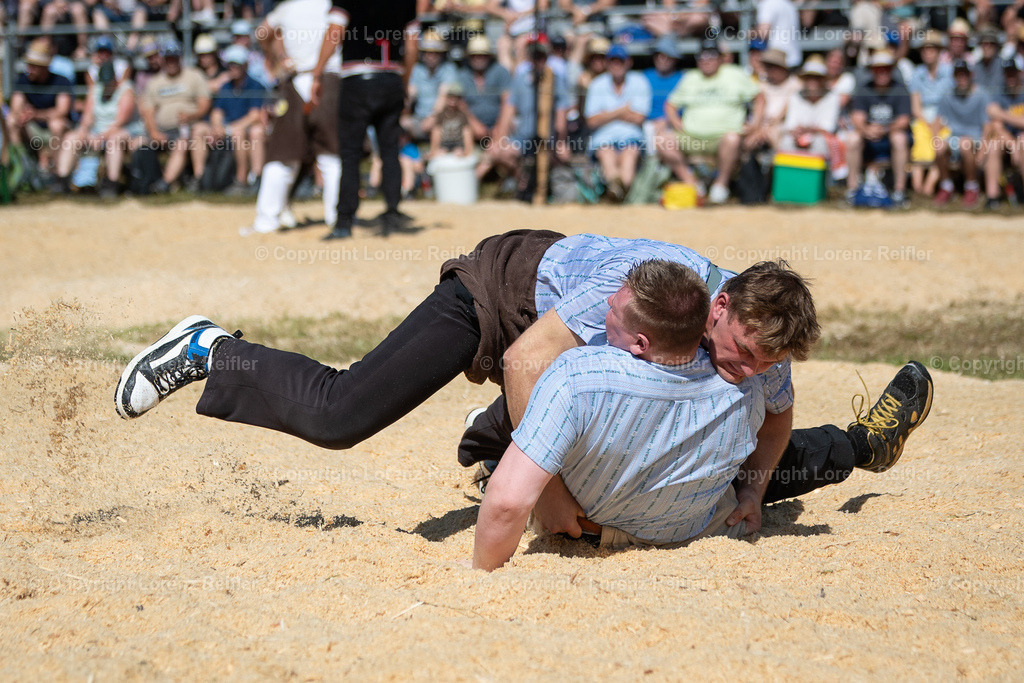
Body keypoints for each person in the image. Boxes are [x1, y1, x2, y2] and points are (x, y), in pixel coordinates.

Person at [115, 230, 933, 534]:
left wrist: (752, 492)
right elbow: (528, 360)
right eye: (743, 353)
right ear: (717, 307)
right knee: (341, 412)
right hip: (502, 297)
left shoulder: (758, 346)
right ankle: (214, 349)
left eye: (763, 365)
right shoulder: (660, 282)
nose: (747, 373)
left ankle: (866, 443)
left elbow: (773, 422)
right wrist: (549, 496)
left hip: (561, 346)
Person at [474, 260, 755, 570]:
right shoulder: (749, 385)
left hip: (584, 532)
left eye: (615, 310)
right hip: (695, 532)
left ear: (640, 343)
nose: (608, 302)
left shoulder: (578, 375)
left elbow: (507, 503)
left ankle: (489, 459)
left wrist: (480, 571)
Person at [311, 0, 425, 239]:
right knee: (390, 150)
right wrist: (403, 81)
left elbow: (335, 32)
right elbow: (412, 46)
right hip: (391, 77)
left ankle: (344, 221)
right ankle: (392, 212)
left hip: (356, 80)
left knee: (350, 154)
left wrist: (317, 73)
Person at [242, 0, 342, 235]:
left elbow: (262, 32)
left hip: (297, 79)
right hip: (328, 80)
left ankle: (267, 220)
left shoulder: (288, 7)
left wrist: (277, 57)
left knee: (282, 156)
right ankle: (338, 219)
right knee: (331, 155)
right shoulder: (332, 5)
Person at [655, 39, 762, 203]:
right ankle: (693, 184)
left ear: (720, 58)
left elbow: (759, 98)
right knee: (661, 140)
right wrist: (676, 122)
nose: (706, 59)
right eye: (702, 56)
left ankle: (721, 186)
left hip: (723, 138)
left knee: (732, 138)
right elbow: (670, 104)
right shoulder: (691, 77)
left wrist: (755, 124)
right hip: (691, 136)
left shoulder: (734, 74)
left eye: (711, 55)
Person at [53, 61, 143, 198]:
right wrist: (83, 130)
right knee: (71, 138)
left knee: (114, 141)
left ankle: (112, 182)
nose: (106, 85)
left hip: (124, 130)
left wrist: (101, 137)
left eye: (109, 82)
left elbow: (121, 121)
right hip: (98, 131)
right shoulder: (96, 89)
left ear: (115, 78)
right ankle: (62, 180)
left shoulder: (126, 90)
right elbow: (87, 117)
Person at [139, 39, 213, 193]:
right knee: (139, 144)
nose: (171, 62)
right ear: (163, 59)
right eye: (168, 59)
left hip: (188, 128)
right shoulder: (155, 82)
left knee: (183, 142)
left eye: (174, 58)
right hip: (163, 130)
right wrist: (154, 132)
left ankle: (173, 182)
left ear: (180, 58)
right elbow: (148, 112)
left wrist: (191, 116)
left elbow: (204, 104)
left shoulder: (194, 76)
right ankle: (144, 184)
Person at [584, 44, 651, 201]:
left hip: (631, 137)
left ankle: (615, 192)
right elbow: (591, 121)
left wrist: (606, 115)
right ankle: (618, 192)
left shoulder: (640, 81)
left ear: (628, 62)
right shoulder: (597, 84)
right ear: (607, 63)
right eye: (613, 61)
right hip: (603, 139)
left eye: (620, 61)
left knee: (629, 154)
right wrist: (622, 111)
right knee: (606, 153)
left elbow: (639, 117)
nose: (616, 65)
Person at [847, 49, 911, 207]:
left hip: (890, 138)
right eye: (878, 68)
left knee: (899, 138)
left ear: (891, 70)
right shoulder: (863, 89)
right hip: (869, 139)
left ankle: (899, 192)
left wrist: (884, 129)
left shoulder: (900, 90)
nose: (882, 72)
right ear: (872, 70)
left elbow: (904, 120)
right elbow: (856, 118)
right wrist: (866, 129)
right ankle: (852, 190)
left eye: (886, 68)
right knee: (852, 138)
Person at [5, 38, 73, 179]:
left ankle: (56, 172)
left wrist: (36, 114)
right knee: (11, 120)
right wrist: (23, 114)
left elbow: (62, 111)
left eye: (34, 66)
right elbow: (15, 108)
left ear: (44, 67)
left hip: (55, 131)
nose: (29, 69)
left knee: (56, 124)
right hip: (33, 130)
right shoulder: (23, 81)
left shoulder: (61, 81)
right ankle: (21, 166)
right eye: (29, 64)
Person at [210, 44, 268, 195]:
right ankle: (203, 181)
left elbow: (255, 116)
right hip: (232, 129)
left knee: (250, 133)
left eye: (236, 64)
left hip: (248, 128)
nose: (233, 68)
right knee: (233, 133)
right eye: (230, 64)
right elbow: (217, 112)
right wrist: (217, 127)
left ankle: (252, 178)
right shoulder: (226, 87)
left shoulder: (255, 85)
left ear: (245, 65)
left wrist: (229, 128)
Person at [933, 60, 991, 208]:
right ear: (954, 76)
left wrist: (982, 151)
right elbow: (938, 120)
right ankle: (946, 186)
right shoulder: (947, 95)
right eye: (958, 74)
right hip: (954, 137)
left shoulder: (982, 95)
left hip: (975, 137)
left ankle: (972, 187)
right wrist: (935, 137)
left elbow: (987, 127)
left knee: (964, 143)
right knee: (939, 146)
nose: (962, 77)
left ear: (971, 75)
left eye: (965, 74)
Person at [778, 55, 840, 160]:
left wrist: (808, 130)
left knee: (820, 143)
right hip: (798, 137)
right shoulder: (796, 96)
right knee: (786, 142)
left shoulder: (832, 97)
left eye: (817, 78)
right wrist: (797, 133)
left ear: (823, 80)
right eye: (809, 77)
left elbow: (829, 128)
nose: (813, 81)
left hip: (821, 139)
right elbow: (790, 125)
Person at [454, 35, 512, 142]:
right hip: (471, 129)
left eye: (482, 55)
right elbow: (460, 104)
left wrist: (500, 129)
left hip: (499, 127)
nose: (478, 59)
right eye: (474, 55)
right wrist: (474, 125)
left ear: (489, 56)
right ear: (469, 57)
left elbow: (508, 102)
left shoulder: (501, 72)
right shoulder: (462, 75)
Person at [984, 57, 1024, 208]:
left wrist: (1002, 115)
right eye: (1007, 73)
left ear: (1020, 73)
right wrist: (1013, 145)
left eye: (1013, 73)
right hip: (1007, 138)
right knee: (993, 145)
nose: (1010, 77)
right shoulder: (1000, 92)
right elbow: (995, 124)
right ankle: (992, 197)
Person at [405, 28, 458, 140]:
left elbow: (443, 98)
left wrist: (432, 118)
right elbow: (410, 94)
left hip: (442, 118)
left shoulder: (449, 69)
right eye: (427, 52)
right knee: (400, 124)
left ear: (441, 54)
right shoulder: (418, 69)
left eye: (435, 52)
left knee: (436, 128)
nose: (431, 56)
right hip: (419, 118)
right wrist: (402, 109)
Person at [429, 82, 474, 159]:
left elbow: (467, 132)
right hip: (444, 145)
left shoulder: (462, 115)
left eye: (456, 98)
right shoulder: (441, 114)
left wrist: (467, 152)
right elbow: (436, 132)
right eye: (451, 97)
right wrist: (434, 151)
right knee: (440, 155)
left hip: (458, 146)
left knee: (459, 154)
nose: (453, 101)